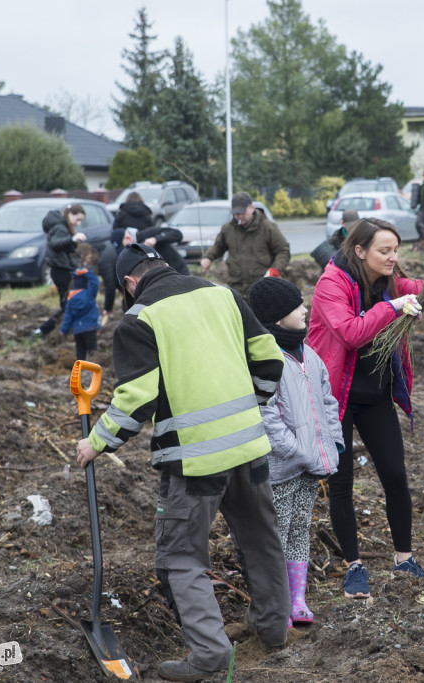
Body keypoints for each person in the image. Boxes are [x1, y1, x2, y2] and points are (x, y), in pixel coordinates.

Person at [75, 243, 290, 682]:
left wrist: (96, 443)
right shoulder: (222, 293)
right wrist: (251, 404)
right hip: (249, 447)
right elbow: (269, 358)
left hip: (195, 461)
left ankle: (210, 654)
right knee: (261, 538)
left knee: (180, 557)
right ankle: (273, 628)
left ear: (130, 283)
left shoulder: (139, 318)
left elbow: (136, 399)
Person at [306, 218, 424, 599]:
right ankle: (354, 568)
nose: (393, 258)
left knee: (395, 475)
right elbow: (350, 332)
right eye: (384, 251)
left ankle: (404, 559)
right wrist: (394, 308)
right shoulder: (331, 284)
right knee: (341, 485)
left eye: (395, 250)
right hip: (334, 398)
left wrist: (423, 296)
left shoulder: (391, 281)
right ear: (360, 251)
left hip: (376, 394)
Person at [247, 277, 343, 626]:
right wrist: (293, 449)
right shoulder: (265, 358)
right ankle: (275, 605)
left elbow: (328, 401)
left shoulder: (310, 354)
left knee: (300, 527)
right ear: (276, 316)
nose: (305, 310)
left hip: (309, 464)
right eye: (297, 306)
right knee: (276, 532)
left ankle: (297, 600)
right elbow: (265, 412)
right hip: (282, 467)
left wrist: (332, 441)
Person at [200, 192, 290, 299]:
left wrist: (275, 270)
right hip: (236, 286)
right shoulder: (228, 229)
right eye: (236, 214)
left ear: (251, 208)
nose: (240, 217)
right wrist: (208, 258)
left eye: (243, 213)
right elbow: (218, 246)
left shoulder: (267, 227)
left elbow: (283, 250)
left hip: (262, 286)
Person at [35, 204, 86, 336]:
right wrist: (72, 239)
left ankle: (65, 330)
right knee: (67, 306)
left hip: (63, 270)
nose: (78, 223)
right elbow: (55, 244)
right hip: (61, 272)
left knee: (68, 305)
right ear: (70, 215)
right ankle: (43, 331)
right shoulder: (60, 228)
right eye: (78, 219)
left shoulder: (63, 226)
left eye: (81, 221)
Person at [59, 244, 100, 361]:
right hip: (91, 328)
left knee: (80, 353)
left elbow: (68, 316)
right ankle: (93, 369)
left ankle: (80, 371)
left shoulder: (70, 299)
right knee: (92, 352)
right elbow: (96, 283)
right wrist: (87, 272)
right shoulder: (89, 293)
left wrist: (63, 330)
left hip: (78, 330)